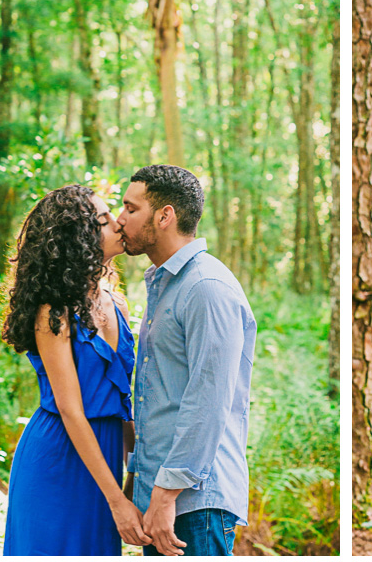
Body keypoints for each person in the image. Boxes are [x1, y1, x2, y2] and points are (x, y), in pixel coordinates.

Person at [2, 185, 151, 555]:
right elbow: (71, 409)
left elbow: (122, 399)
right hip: (58, 455)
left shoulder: (115, 300)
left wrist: (135, 472)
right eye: (103, 221)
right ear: (79, 240)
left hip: (105, 455)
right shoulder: (53, 312)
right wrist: (117, 500)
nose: (117, 223)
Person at [117, 165, 257, 557]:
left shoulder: (206, 287)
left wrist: (165, 496)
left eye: (131, 207)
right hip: (165, 497)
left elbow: (208, 402)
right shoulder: (166, 284)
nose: (120, 218)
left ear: (164, 216)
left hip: (194, 502)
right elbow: (158, 398)